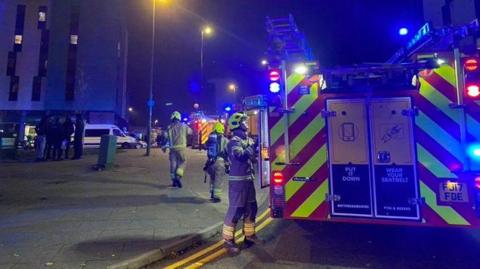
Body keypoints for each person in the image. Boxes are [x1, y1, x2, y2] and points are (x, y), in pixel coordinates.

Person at [222, 112, 263, 255]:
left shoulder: (248, 140)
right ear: (237, 125)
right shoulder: (233, 142)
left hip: (248, 181)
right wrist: (253, 147)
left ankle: (249, 236)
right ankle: (228, 240)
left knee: (252, 208)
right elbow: (239, 156)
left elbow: (253, 155)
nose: (246, 124)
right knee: (236, 210)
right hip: (238, 183)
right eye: (244, 122)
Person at [163, 111, 192, 188]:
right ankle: (178, 177)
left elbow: (165, 138)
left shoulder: (169, 127)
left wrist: (164, 147)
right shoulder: (184, 126)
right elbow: (190, 132)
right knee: (183, 162)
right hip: (181, 148)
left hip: (172, 149)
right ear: (179, 118)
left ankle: (173, 181)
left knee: (173, 164)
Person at [203, 122, 229, 203]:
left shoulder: (210, 139)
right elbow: (228, 152)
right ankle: (216, 196)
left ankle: (212, 192)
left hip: (211, 162)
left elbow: (205, 146)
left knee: (212, 177)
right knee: (218, 179)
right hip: (220, 162)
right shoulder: (225, 140)